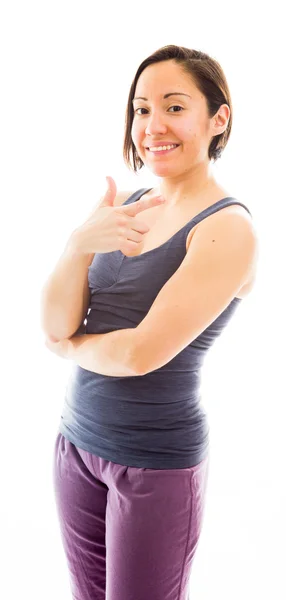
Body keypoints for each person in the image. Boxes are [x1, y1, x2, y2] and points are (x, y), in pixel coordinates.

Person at [47, 45, 258, 600]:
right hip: (76, 444)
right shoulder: (131, 205)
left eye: (173, 106)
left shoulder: (227, 228)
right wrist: (75, 247)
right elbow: (52, 318)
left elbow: (139, 353)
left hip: (155, 467)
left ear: (218, 119)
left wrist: (67, 345)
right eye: (142, 109)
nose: (152, 125)